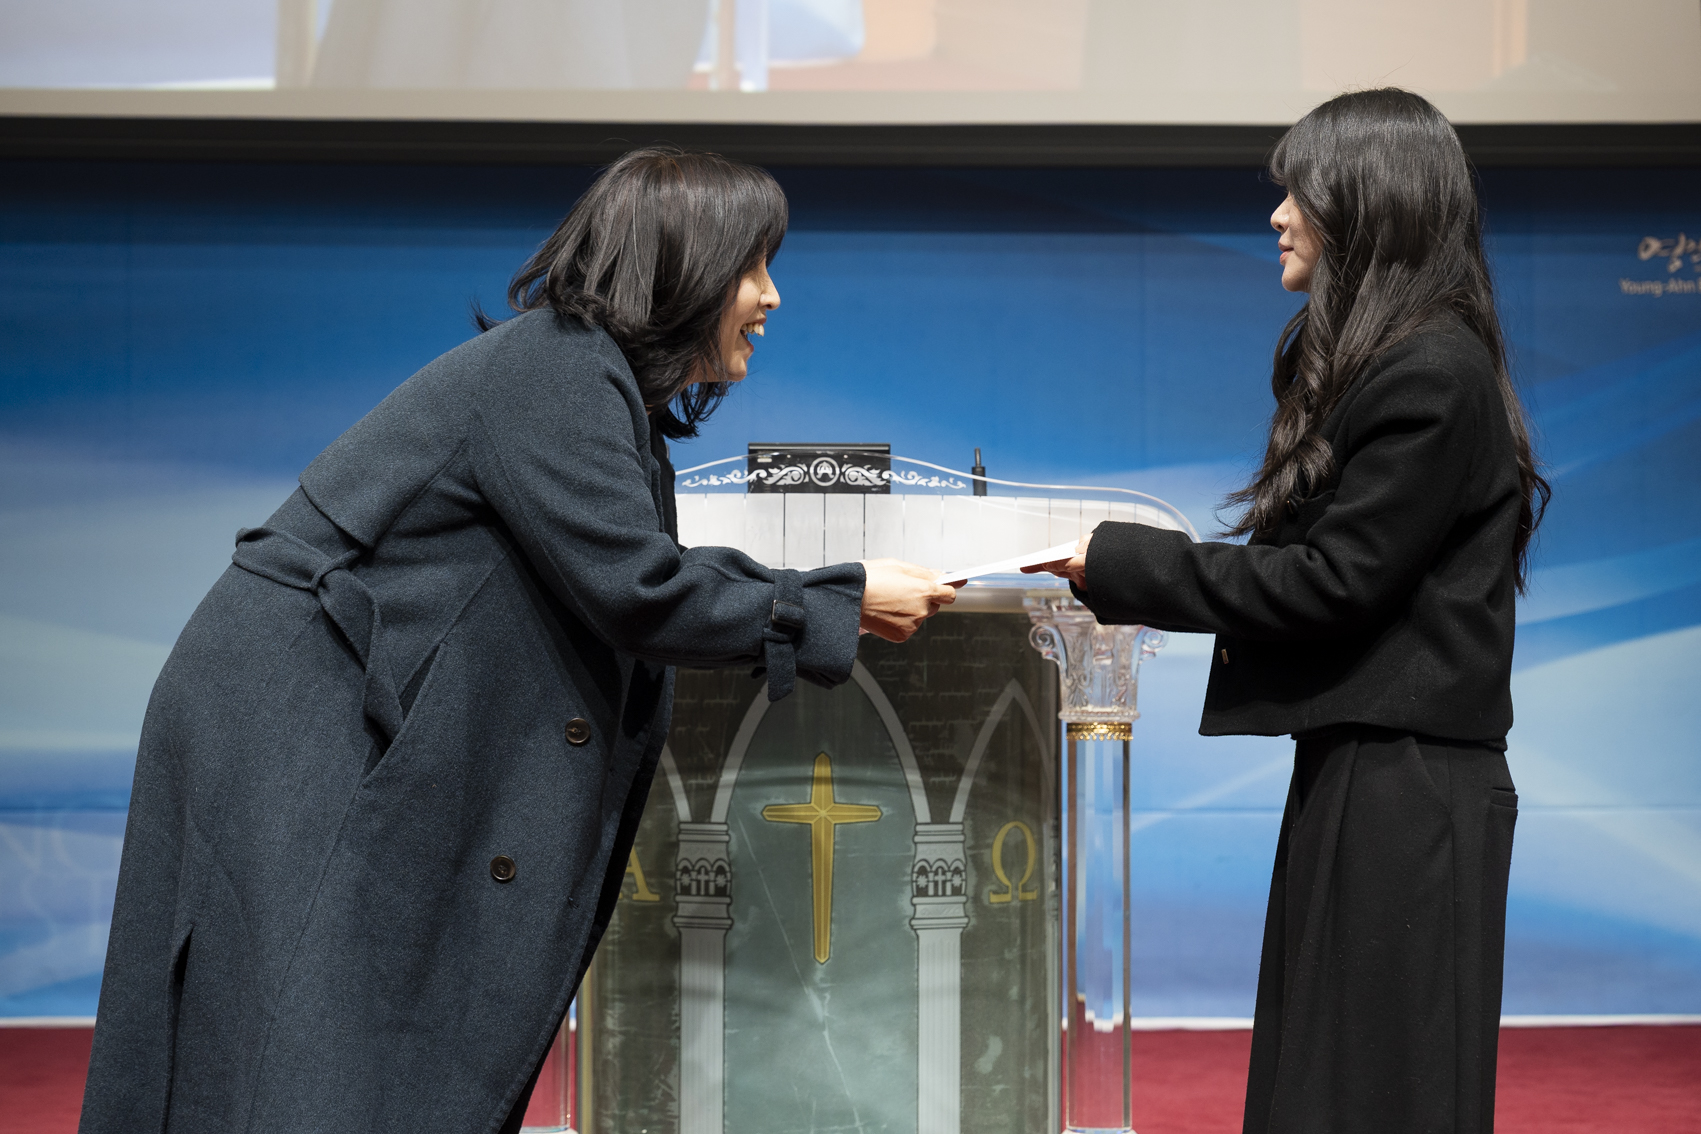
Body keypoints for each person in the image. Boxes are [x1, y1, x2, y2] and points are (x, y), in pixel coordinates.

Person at [79, 147, 955, 1134]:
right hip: (289, 713)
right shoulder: (555, 370)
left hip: (330, 705)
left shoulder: (592, 384)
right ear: (685, 266)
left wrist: (825, 599)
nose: (770, 296)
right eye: (752, 266)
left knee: (336, 1030)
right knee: (305, 1028)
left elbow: (634, 577)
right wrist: (839, 603)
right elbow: (639, 590)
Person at [1031, 90, 1548, 1133]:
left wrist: (1120, 564)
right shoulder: (1403, 365)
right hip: (1369, 770)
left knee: (1380, 1097)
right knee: (1326, 1086)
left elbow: (1331, 582)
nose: (1277, 215)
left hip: (1410, 788)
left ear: (1367, 204)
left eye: (1298, 192)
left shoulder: (1430, 373)